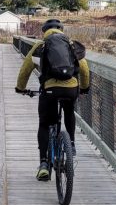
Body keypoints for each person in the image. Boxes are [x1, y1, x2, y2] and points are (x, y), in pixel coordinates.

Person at [15, 18, 90, 180]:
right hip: (71, 89)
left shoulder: (41, 46)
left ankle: (43, 164)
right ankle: (71, 144)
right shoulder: (70, 44)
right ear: (61, 30)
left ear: (44, 32)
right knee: (69, 112)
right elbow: (84, 68)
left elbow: (25, 69)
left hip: (49, 90)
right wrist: (84, 88)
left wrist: (20, 88)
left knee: (44, 123)